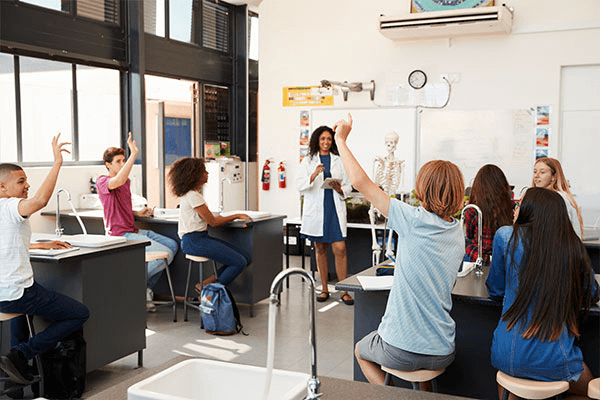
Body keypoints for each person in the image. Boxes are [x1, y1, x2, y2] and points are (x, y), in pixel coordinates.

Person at [334, 114, 465, 389]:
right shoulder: (457, 230)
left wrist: (340, 139)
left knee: (361, 350)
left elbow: (360, 183)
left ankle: (390, 396)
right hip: (443, 350)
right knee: (422, 370)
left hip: (401, 349)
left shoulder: (412, 219)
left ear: (422, 188)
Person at [486, 187, 598, 399]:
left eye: (519, 204)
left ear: (530, 209)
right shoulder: (571, 245)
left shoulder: (505, 236)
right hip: (553, 355)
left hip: (506, 354)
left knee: (513, 386)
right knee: (591, 392)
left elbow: (495, 288)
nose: (515, 208)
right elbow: (591, 293)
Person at [0, 134, 90, 385]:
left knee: (19, 317)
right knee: (78, 313)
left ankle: (15, 378)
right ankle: (21, 355)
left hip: (4, 296)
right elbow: (40, 201)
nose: (27, 185)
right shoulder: (10, 206)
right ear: (2, 188)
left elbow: (6, 244)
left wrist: (41, 244)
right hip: (16, 293)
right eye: (21, 181)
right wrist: (57, 163)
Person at [97, 132, 178, 310]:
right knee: (166, 254)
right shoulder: (103, 181)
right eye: (118, 161)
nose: (122, 164)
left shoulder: (125, 182)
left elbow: (122, 206)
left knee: (172, 245)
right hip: (120, 235)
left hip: (133, 230)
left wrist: (139, 213)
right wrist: (134, 154)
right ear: (108, 165)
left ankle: (143, 288)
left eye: (123, 160)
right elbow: (116, 181)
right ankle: (132, 287)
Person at [167, 157, 252, 289]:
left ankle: (205, 285)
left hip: (199, 239)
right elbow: (213, 222)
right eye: (204, 171)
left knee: (244, 258)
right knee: (239, 262)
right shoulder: (192, 196)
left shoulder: (192, 194)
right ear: (194, 175)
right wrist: (236, 215)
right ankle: (211, 292)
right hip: (194, 241)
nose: (207, 173)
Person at [296, 125, 354, 305]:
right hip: (317, 210)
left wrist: (340, 188)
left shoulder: (339, 159)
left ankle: (344, 290)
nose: (326, 142)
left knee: (340, 249)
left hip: (334, 207)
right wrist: (313, 175)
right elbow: (299, 186)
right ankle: (324, 288)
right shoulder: (308, 161)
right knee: (320, 249)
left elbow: (350, 185)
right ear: (317, 141)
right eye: (323, 139)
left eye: (329, 139)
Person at [463, 164, 514, 266]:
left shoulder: (473, 209)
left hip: (477, 257)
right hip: (502, 259)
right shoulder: (510, 207)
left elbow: (469, 234)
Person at [531, 157, 583, 238]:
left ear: (554, 177)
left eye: (542, 172)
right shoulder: (539, 197)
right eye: (534, 172)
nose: (536, 176)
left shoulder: (557, 198)